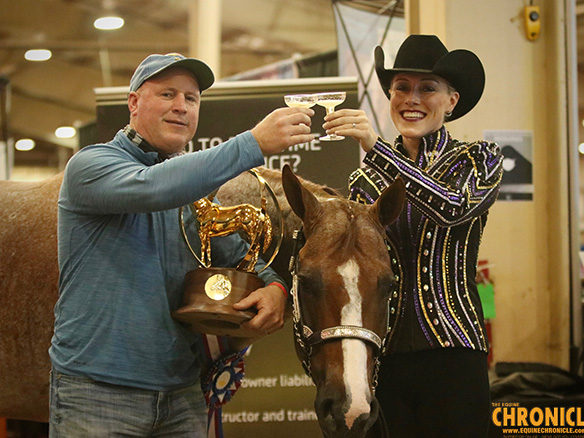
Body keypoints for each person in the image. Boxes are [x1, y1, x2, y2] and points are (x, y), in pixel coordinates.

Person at [48, 53, 315, 437]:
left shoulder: (195, 196)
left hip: (182, 393)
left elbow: (242, 258)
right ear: (133, 103)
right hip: (97, 392)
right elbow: (154, 187)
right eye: (167, 93)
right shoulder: (91, 166)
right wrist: (253, 143)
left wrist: (274, 287)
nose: (181, 106)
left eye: (191, 98)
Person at [323, 35, 503, 437]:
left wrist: (375, 148)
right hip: (382, 355)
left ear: (452, 100)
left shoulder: (478, 158)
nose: (412, 98)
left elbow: (453, 210)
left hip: (454, 352)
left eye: (428, 88)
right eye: (402, 87)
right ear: (390, 94)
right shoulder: (364, 180)